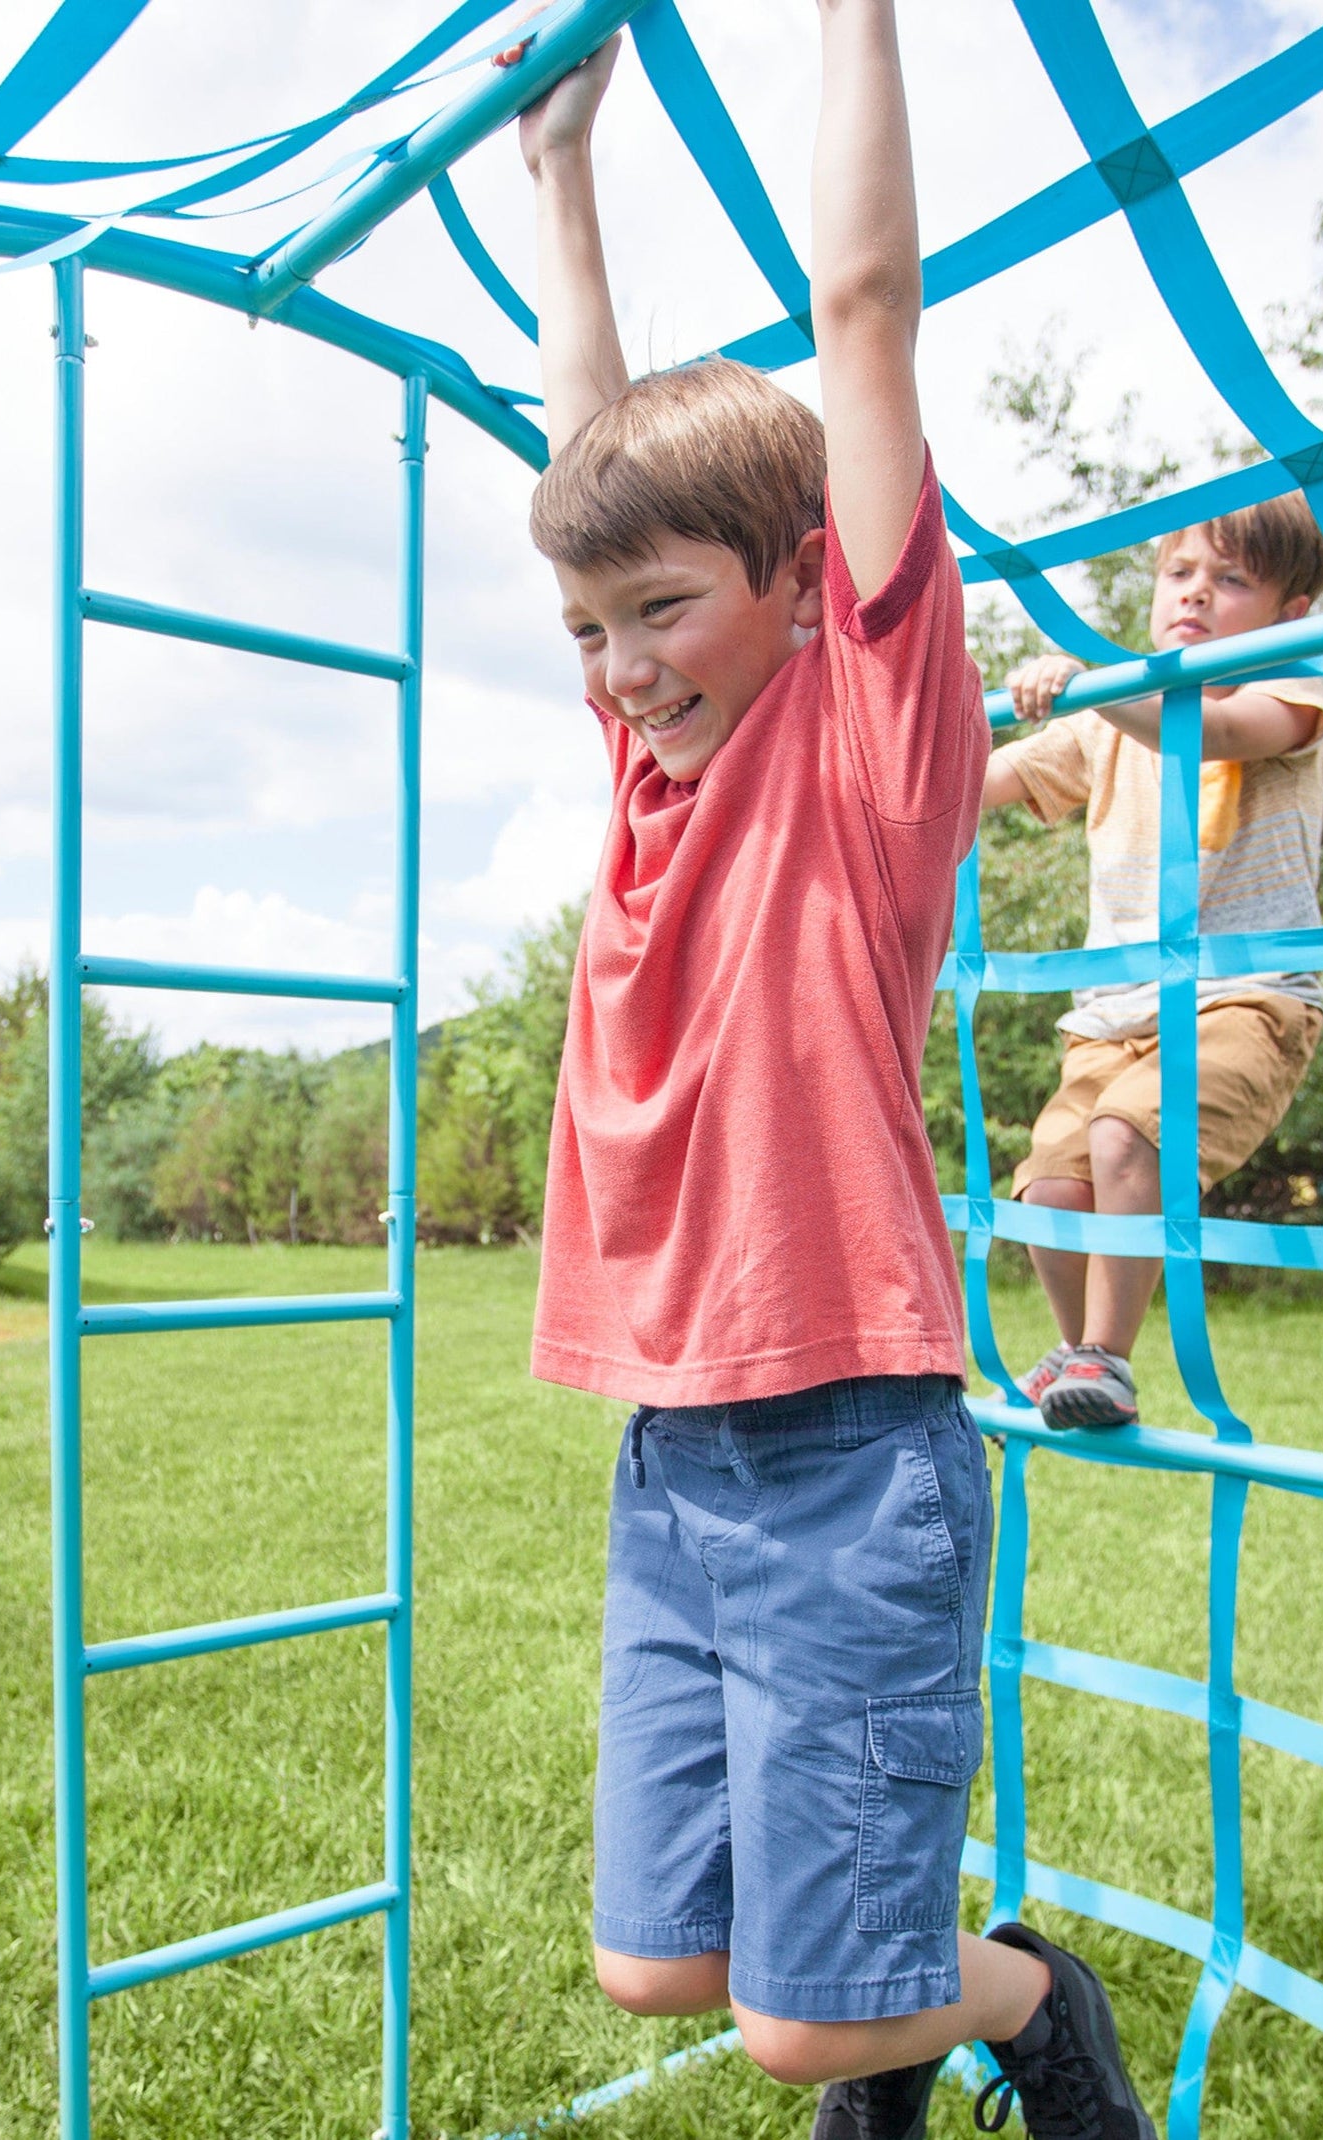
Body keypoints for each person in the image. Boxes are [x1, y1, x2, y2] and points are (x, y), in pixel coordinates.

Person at [500, 10, 1155, 2137]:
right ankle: (891, 1988)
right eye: (591, 628)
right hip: (674, 1458)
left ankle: (1029, 2000)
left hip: (850, 1450)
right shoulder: (648, 754)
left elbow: (863, 312)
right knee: (656, 1964)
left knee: (797, 2025)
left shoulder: (865, 746)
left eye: (660, 614)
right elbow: (592, 439)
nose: (617, 669)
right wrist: (556, 169)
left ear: (801, 587)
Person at [983, 500, 1323, 1429]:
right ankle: (1079, 1352)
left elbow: (1211, 733)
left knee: (1125, 1137)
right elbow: (993, 782)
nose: (1196, 595)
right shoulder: (1107, 723)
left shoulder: (1294, 691)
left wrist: (1092, 686)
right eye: (1180, 574)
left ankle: (1105, 1356)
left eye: (1230, 581)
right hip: (1114, 1014)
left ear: (1289, 614)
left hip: (1245, 1001)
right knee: (1050, 1186)